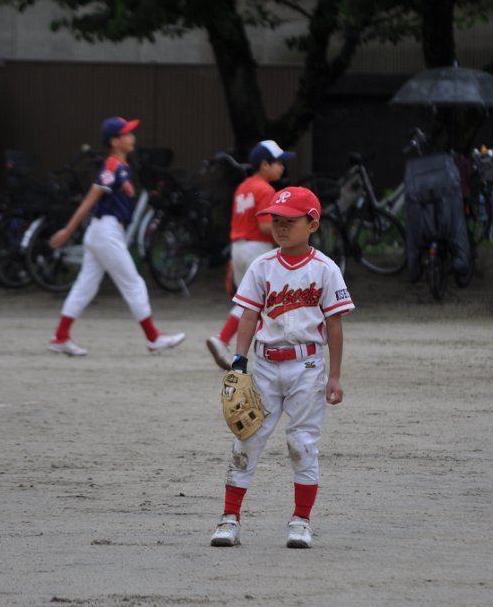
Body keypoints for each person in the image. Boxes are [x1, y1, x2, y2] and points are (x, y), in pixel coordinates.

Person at [209, 186, 354, 549]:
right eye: (276, 221)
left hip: (308, 365)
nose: (281, 228)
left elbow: (334, 325)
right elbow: (248, 315)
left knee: (302, 443)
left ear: (313, 224)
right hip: (266, 365)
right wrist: (239, 362)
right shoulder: (262, 266)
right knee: (247, 438)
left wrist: (335, 375)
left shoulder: (325, 269)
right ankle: (229, 519)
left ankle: (301, 521)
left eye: (290, 221)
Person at [47, 116, 185, 356]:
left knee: (85, 286)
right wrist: (68, 231)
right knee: (133, 283)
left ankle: (60, 337)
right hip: (106, 232)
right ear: (114, 141)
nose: (132, 137)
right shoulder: (112, 166)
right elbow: (90, 200)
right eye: (127, 134)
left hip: (104, 232)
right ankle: (153, 338)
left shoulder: (121, 167)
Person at [206, 140, 294, 370]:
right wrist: (292, 233)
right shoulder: (265, 189)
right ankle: (275, 345)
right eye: (278, 163)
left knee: (251, 300)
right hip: (257, 248)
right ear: (264, 164)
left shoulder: (243, 186)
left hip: (238, 247)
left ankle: (224, 339)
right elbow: (265, 226)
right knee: (265, 300)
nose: (282, 167)